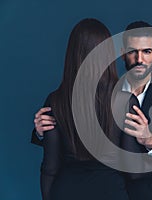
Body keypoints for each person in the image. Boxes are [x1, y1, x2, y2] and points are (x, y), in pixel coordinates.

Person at [33, 21, 152, 200]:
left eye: (147, 51)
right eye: (132, 51)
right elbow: (71, 135)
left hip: (147, 194)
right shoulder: (103, 93)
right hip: (106, 189)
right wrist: (42, 132)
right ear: (122, 54)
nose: (139, 59)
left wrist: (151, 140)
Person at [33, 18, 129, 200]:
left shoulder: (55, 101)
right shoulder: (125, 101)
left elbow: (50, 168)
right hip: (111, 191)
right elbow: (134, 171)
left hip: (66, 191)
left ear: (73, 54)